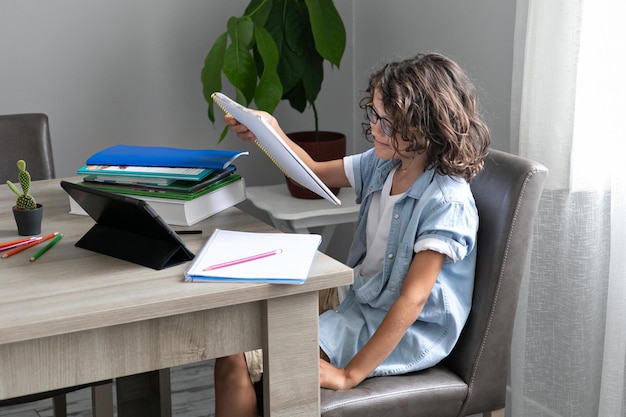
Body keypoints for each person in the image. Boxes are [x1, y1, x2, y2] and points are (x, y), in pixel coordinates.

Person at [213, 52, 490, 417]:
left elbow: (412, 300)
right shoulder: (386, 162)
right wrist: (270, 131)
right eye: (373, 115)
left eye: (386, 123)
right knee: (231, 343)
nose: (374, 128)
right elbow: (309, 170)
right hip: (360, 295)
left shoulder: (446, 202)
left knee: (244, 360)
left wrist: (349, 375)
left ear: (426, 126)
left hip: (393, 326)